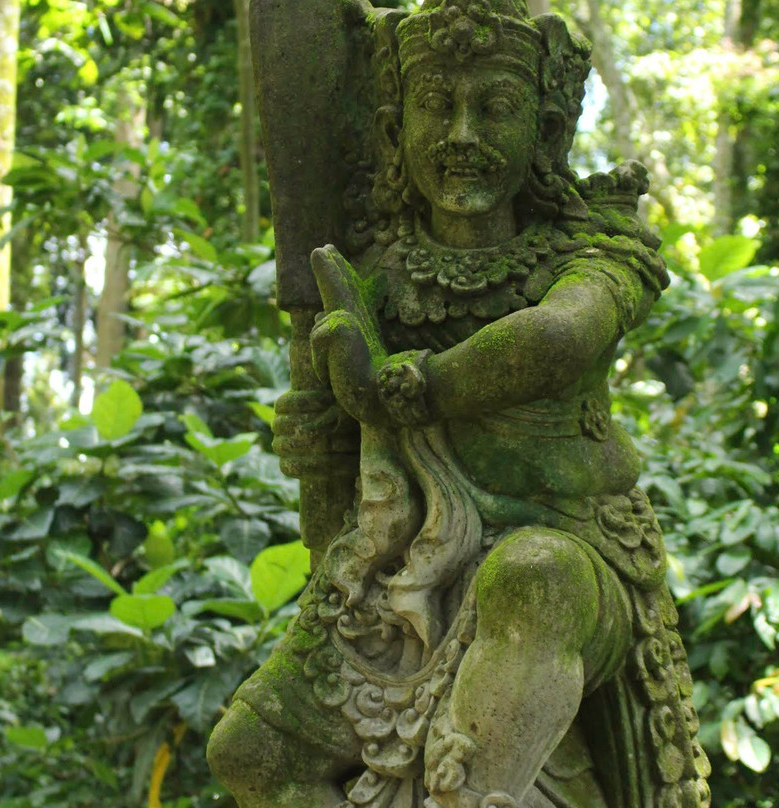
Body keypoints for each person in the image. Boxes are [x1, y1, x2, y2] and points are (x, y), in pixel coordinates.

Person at [208, 2, 709, 807]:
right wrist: (322, 430)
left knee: (530, 575)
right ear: (393, 125)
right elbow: (338, 466)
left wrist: (404, 389)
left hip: (569, 563)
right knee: (248, 753)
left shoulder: (595, 254)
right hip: (399, 567)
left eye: (495, 107)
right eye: (437, 106)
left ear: (546, 131)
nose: (463, 136)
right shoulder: (373, 273)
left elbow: (556, 338)